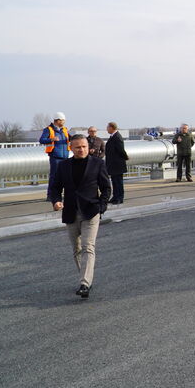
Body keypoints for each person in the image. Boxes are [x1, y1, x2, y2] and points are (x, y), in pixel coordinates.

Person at [49, 134, 111, 299]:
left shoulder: (97, 163)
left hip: (91, 211)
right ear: (71, 148)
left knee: (88, 247)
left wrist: (101, 207)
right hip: (70, 212)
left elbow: (106, 188)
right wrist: (56, 201)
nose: (81, 149)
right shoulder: (63, 166)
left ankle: (84, 283)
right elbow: (55, 187)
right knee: (76, 249)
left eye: (84, 146)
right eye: (77, 147)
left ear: (87, 146)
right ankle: (87, 278)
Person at [39, 112, 70, 201]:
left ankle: (62, 194)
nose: (64, 122)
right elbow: (41, 140)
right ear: (58, 120)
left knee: (65, 177)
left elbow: (70, 138)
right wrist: (51, 139)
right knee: (54, 176)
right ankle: (51, 195)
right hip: (55, 156)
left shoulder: (64, 130)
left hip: (65, 156)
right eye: (63, 120)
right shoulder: (48, 129)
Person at [105, 122, 129, 204]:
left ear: (112, 127)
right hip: (113, 164)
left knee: (118, 182)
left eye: (107, 127)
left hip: (117, 164)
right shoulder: (113, 136)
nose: (107, 129)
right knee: (114, 181)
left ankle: (119, 198)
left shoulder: (117, 137)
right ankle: (115, 197)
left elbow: (121, 150)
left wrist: (126, 157)